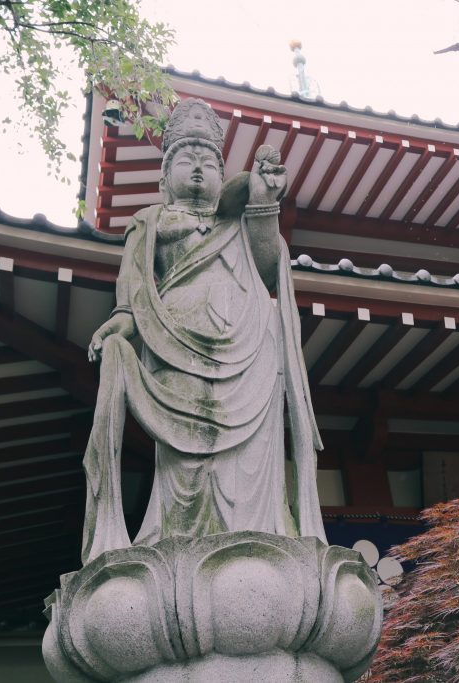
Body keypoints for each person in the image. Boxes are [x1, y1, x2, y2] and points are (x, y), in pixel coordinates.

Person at [80, 98, 326, 564]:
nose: (198, 170)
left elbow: (269, 268)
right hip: (176, 344)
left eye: (209, 163)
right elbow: (133, 291)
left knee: (250, 462)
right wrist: (122, 319)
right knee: (187, 462)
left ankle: (258, 537)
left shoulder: (235, 221)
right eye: (186, 162)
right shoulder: (149, 222)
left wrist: (264, 203)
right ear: (163, 178)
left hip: (248, 345)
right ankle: (178, 542)